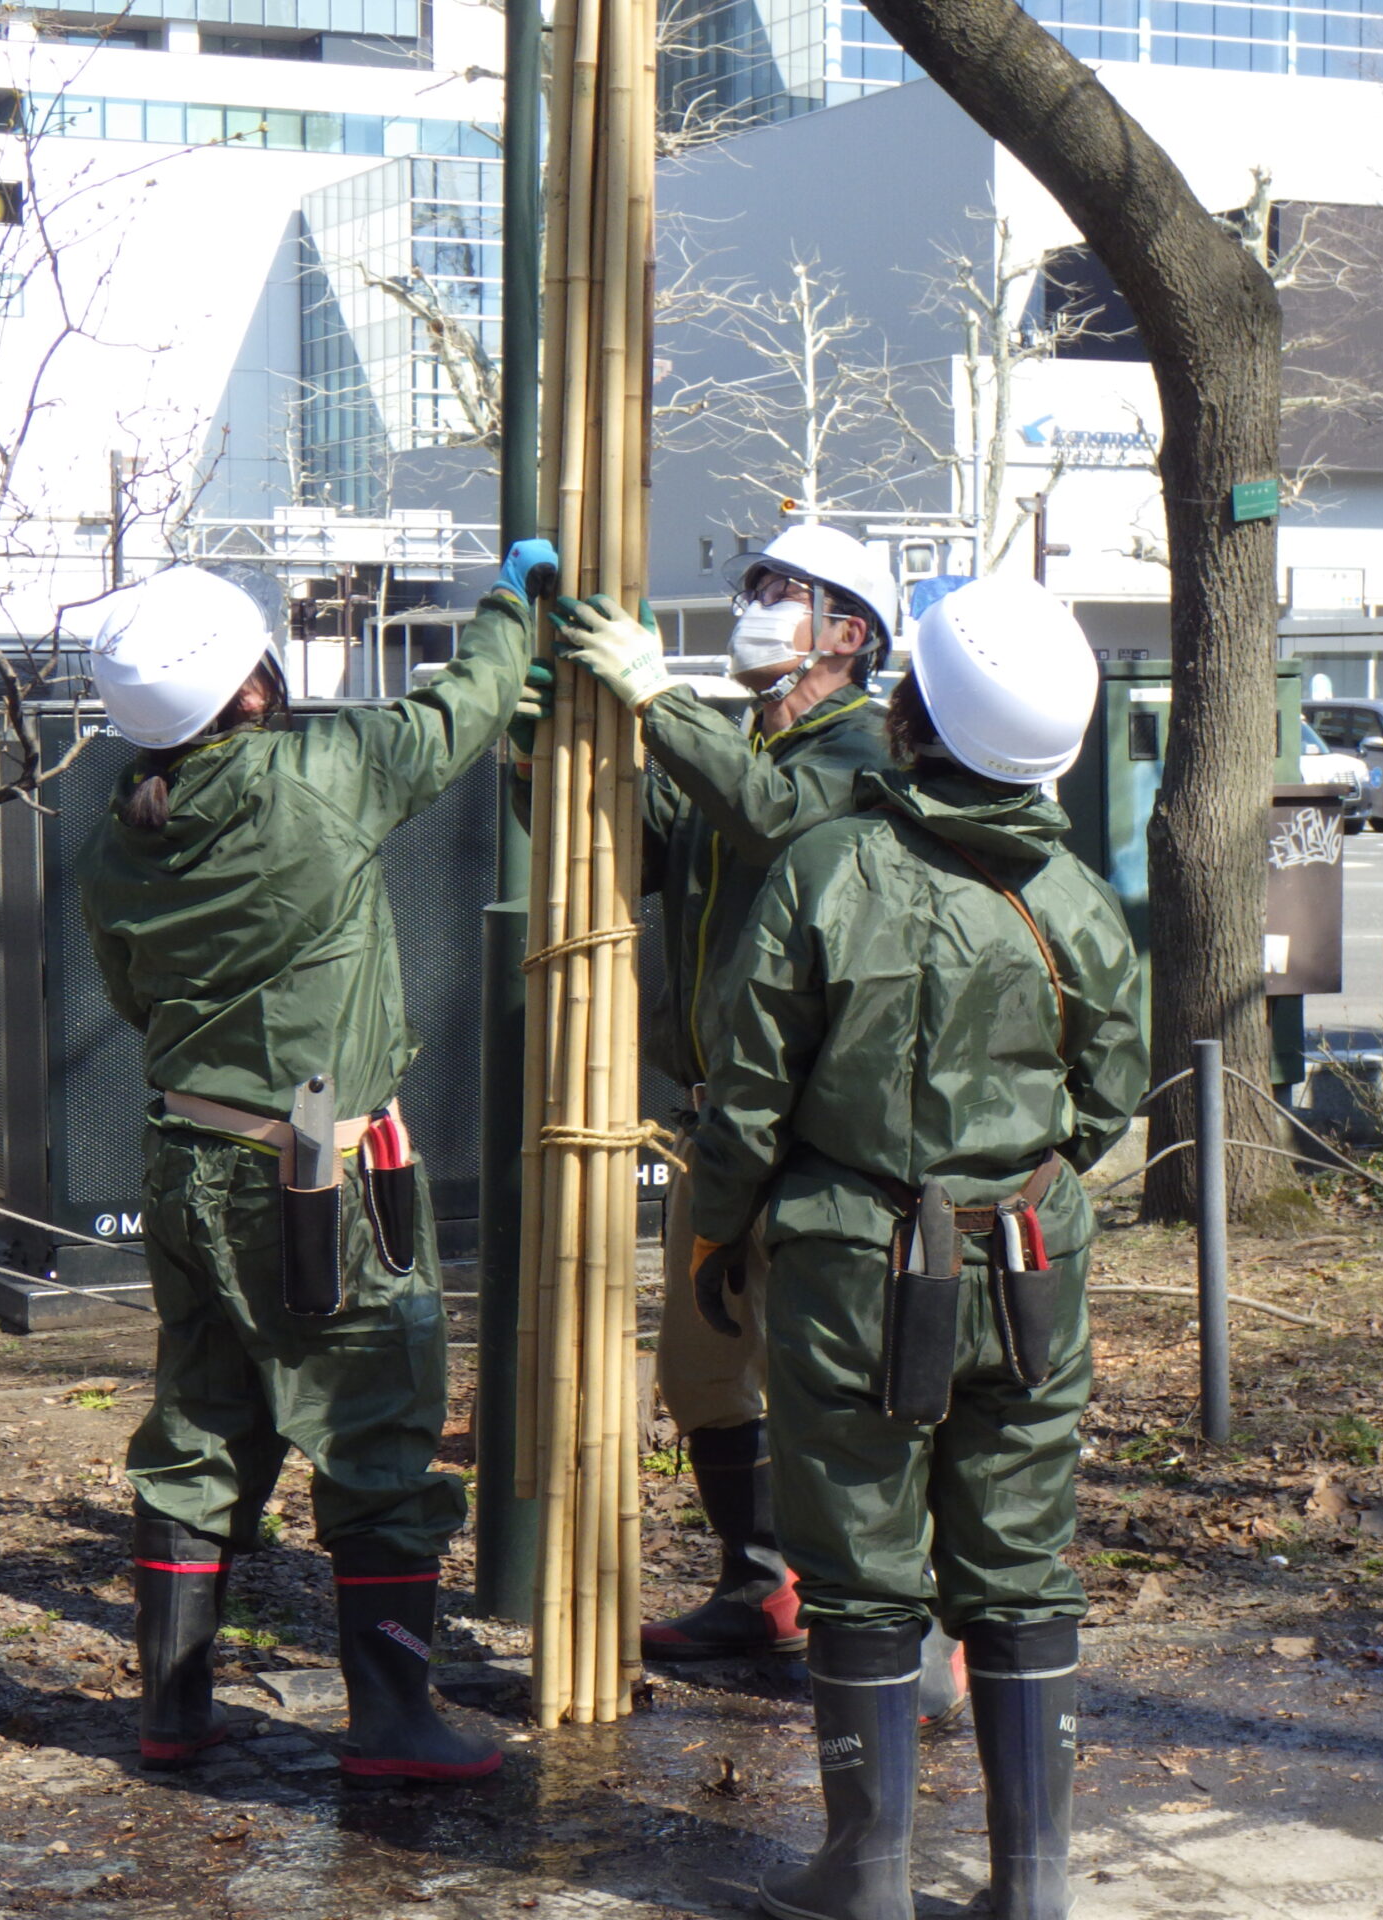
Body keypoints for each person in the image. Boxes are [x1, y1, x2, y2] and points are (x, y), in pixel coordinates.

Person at [682, 574, 1148, 1920]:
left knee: (860, 1552)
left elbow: (747, 1093)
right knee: (1020, 1549)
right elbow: (1108, 1093)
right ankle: (1035, 1882)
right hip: (1029, 1257)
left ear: (909, 713)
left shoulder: (826, 873)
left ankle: (868, 1870)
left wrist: (724, 1233)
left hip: (846, 1258)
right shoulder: (1074, 899)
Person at [79, 548, 549, 1783]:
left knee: (200, 1424)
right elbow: (465, 708)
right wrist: (513, 605)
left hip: (187, 1160)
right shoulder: (319, 782)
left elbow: (134, 998)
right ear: (248, 690)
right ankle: (394, 1719)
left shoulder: (125, 831)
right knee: (375, 1437)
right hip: (321, 1176)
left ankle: (172, 1712)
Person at [531, 525, 899, 1666]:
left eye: (782, 591)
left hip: (812, 1127)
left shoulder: (866, 754)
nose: (754, 603)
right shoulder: (736, 741)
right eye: (750, 585)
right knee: (702, 1371)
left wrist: (656, 701)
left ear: (847, 634)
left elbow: (780, 827)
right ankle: (759, 1585)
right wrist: (535, 734)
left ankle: (874, 1613)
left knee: (819, 1374)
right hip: (708, 1118)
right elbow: (633, 853)